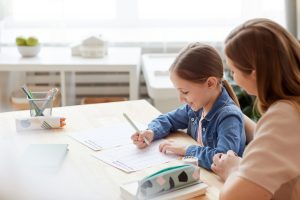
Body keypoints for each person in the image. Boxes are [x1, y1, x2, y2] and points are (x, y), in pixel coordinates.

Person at [211, 18, 300, 200]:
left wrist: (234, 169)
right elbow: (273, 139)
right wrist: (233, 113)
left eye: (233, 71)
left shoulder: (284, 116)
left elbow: (234, 197)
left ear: (254, 72)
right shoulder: (292, 107)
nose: (232, 78)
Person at [131, 42, 246, 170]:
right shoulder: (198, 106)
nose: (181, 99)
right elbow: (169, 119)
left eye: (185, 92)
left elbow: (222, 160)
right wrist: (151, 132)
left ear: (210, 83)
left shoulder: (228, 117)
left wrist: (186, 149)